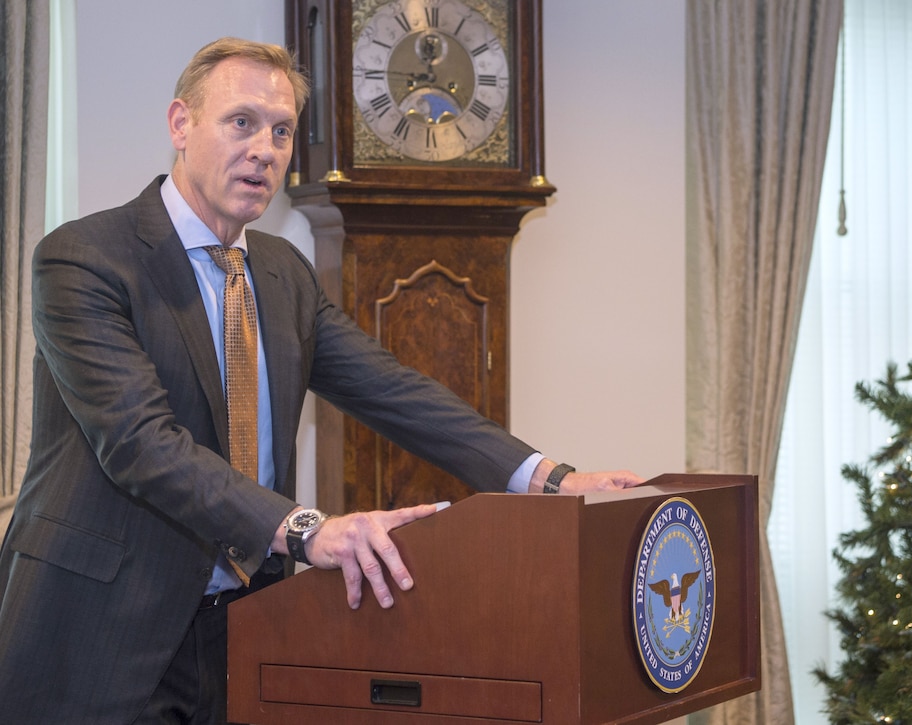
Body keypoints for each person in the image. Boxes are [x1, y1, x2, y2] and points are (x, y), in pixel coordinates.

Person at [0, 37, 642, 724]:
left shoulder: (283, 273)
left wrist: (551, 478)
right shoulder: (84, 258)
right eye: (241, 122)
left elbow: (394, 391)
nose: (265, 149)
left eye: (280, 131)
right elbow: (139, 443)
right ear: (181, 124)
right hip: (98, 634)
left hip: (244, 629)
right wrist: (308, 529)